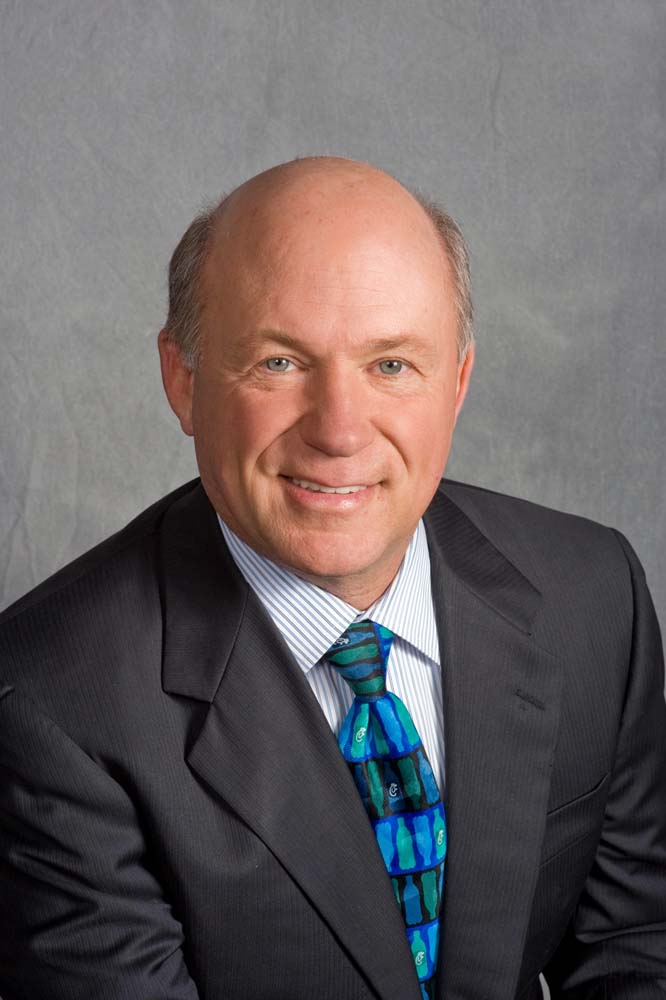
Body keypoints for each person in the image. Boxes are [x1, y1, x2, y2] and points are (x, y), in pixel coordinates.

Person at [0, 156, 665, 1000]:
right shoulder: (50, 706)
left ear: (457, 382)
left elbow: (637, 948)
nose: (340, 431)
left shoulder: (593, 596)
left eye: (391, 365)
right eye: (279, 363)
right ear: (183, 380)